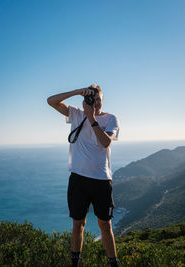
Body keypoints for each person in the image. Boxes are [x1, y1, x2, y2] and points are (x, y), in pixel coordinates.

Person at [47, 84, 120, 267]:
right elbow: (51, 101)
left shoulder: (111, 119)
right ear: (85, 99)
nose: (95, 103)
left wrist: (92, 118)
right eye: (91, 99)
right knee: (78, 223)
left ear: (102, 100)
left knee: (105, 225)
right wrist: (76, 91)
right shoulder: (76, 114)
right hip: (78, 178)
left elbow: (105, 143)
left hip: (102, 180)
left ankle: (113, 263)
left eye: (98, 100)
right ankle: (75, 264)